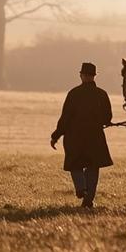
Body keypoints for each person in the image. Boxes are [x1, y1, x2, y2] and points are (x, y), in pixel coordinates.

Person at [50, 62, 113, 209]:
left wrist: (56, 135)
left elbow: (65, 117)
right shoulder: (102, 94)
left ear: (81, 75)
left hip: (74, 136)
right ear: (94, 76)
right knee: (93, 167)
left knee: (75, 164)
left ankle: (80, 188)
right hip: (95, 137)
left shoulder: (74, 93)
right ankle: (88, 199)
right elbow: (107, 117)